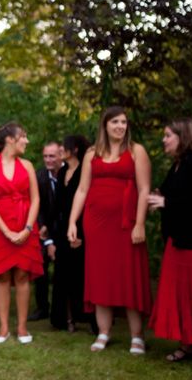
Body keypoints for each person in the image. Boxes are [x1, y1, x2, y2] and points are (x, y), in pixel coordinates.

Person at [67, 106, 152, 355]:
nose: (120, 126)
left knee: (129, 276)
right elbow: (82, 190)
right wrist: (72, 222)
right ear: (105, 125)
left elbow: (145, 189)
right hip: (96, 225)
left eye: (124, 122)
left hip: (126, 225)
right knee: (100, 276)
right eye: (115, 122)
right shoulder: (92, 153)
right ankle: (104, 332)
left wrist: (139, 223)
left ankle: (137, 336)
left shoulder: (137, 151)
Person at [148, 119, 192, 372]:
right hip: (178, 242)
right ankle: (190, 344)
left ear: (182, 137)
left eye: (168, 135)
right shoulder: (178, 165)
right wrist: (160, 196)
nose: (164, 140)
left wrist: (166, 202)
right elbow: (173, 194)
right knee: (184, 299)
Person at [0, 122, 43, 344]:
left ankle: (23, 327)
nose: (26, 141)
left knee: (23, 274)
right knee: (3, 276)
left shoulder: (27, 165)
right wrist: (6, 231)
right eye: (23, 137)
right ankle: (4, 327)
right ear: (10, 139)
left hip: (25, 224)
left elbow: (36, 198)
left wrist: (27, 228)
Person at [48, 135, 96, 333]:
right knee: (63, 276)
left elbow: (87, 201)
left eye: (64, 148)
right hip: (62, 231)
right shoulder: (62, 172)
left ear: (74, 149)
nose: (60, 150)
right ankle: (67, 319)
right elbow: (57, 205)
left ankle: (93, 320)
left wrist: (80, 232)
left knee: (83, 275)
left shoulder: (85, 173)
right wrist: (50, 230)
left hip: (82, 227)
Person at [29, 141, 63, 321]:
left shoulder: (71, 174)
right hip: (45, 228)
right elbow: (38, 207)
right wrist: (48, 240)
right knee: (40, 266)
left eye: (52, 156)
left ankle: (66, 309)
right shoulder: (39, 176)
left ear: (61, 155)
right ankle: (42, 307)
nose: (48, 160)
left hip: (66, 229)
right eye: (45, 156)